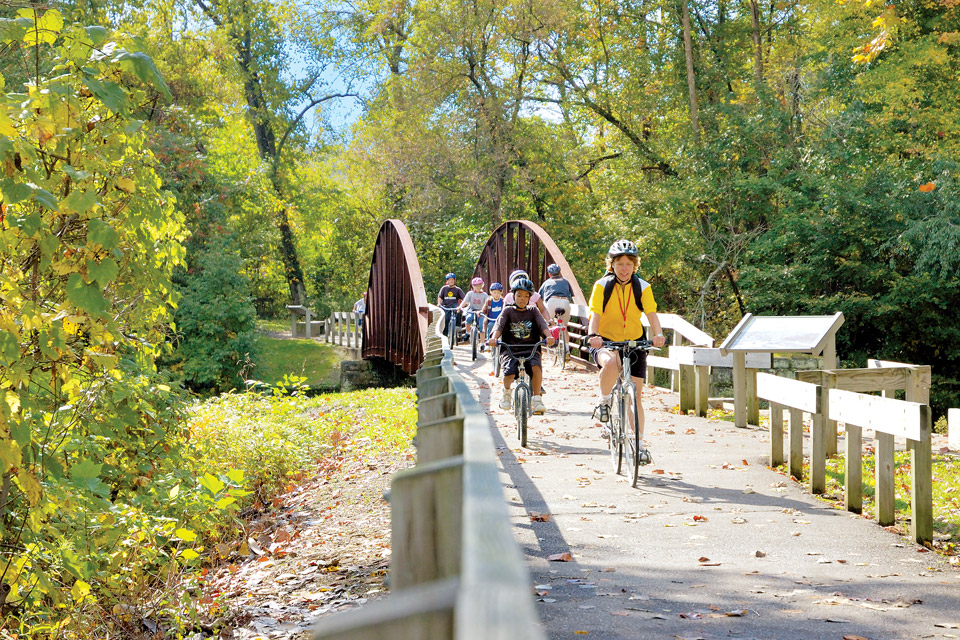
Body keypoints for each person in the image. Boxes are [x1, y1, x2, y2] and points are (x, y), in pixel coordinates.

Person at [585, 240, 667, 464]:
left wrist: (658, 334)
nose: (624, 268)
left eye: (628, 264)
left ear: (635, 265)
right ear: (611, 265)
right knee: (611, 365)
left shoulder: (643, 287)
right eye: (619, 263)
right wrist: (594, 335)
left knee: (636, 396)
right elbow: (596, 313)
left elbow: (651, 314)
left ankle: (639, 445)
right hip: (605, 340)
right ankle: (603, 402)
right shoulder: (602, 286)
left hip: (634, 342)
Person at [488, 278, 555, 415]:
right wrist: (494, 338)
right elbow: (499, 326)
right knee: (509, 372)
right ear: (513, 296)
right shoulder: (507, 311)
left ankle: (536, 398)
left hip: (530, 347)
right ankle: (506, 393)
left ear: (530, 298)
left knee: (536, 368)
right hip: (510, 348)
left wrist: (548, 336)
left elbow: (542, 325)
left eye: (526, 296)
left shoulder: (533, 311)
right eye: (519, 295)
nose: (522, 299)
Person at [538, 262, 574, 327]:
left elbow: (539, 297)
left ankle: (550, 334)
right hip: (565, 302)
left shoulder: (547, 282)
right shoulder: (566, 281)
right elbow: (571, 295)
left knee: (548, 323)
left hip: (552, 302)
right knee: (564, 326)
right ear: (560, 273)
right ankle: (564, 334)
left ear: (549, 274)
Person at [458, 277, 490, 348]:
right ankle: (467, 332)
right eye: (476, 285)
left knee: (482, 327)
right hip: (472, 310)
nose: (477, 287)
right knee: (468, 319)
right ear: (473, 286)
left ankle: (482, 343)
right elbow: (465, 301)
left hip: (481, 311)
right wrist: (460, 307)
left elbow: (488, 304)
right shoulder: (470, 293)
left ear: (482, 285)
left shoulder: (484, 295)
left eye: (479, 285)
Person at [437, 273, 465, 343]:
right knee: (445, 320)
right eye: (450, 280)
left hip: (454, 305)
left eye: (452, 279)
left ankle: (458, 326)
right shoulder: (444, 288)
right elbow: (440, 297)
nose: (451, 281)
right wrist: (439, 303)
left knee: (459, 310)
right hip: (446, 305)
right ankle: (445, 336)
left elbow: (464, 298)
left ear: (454, 280)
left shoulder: (458, 289)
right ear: (447, 281)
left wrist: (462, 305)